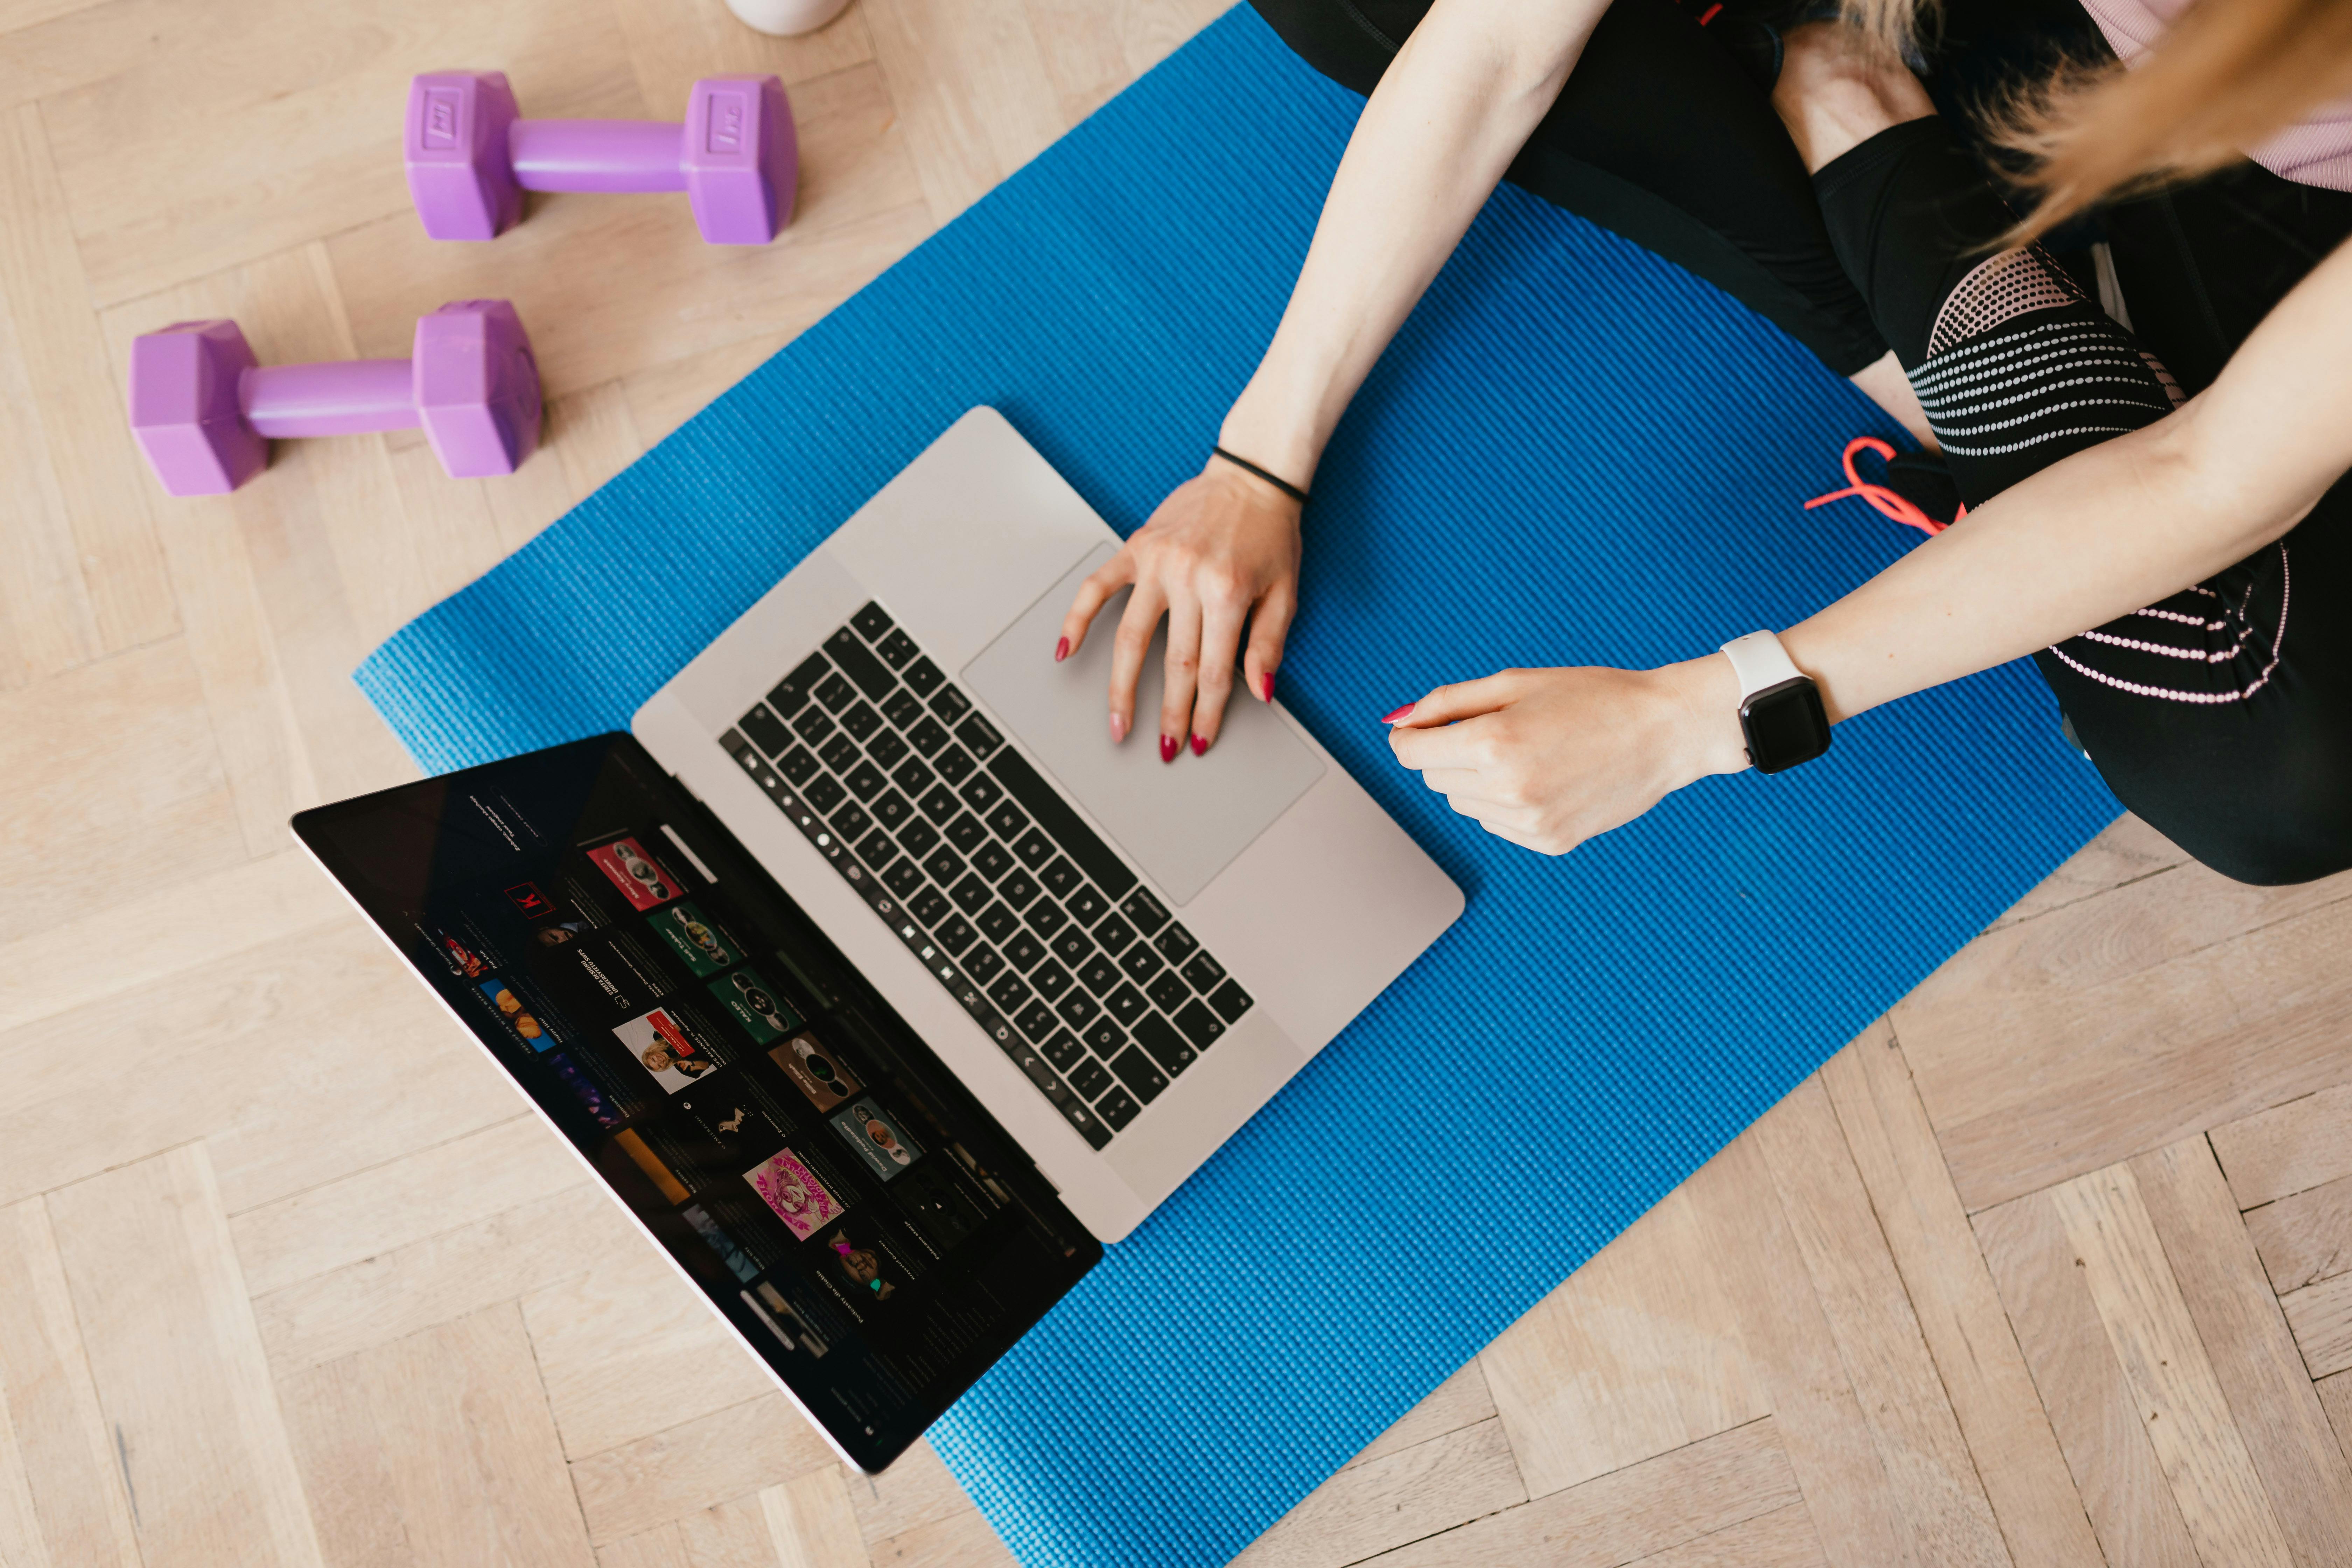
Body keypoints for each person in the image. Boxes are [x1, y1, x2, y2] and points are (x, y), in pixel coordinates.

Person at [1062, 0, 2352, 883]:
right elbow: (1502, 45)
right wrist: (1257, 460)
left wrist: (1694, 719)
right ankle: (1965, 313)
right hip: (2054, 64)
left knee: (2279, 781)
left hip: (2289, 221)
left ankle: (1887, 186)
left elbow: (2215, 476)